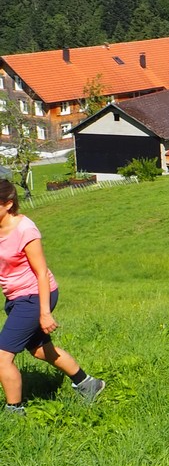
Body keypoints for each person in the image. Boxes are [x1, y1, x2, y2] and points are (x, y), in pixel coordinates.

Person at [1, 178, 105, 416]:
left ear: (8, 204)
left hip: (35, 295)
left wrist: (44, 313)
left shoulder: (25, 230)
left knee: (2, 357)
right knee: (39, 350)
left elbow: (41, 272)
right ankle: (88, 384)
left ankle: (14, 412)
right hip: (16, 297)